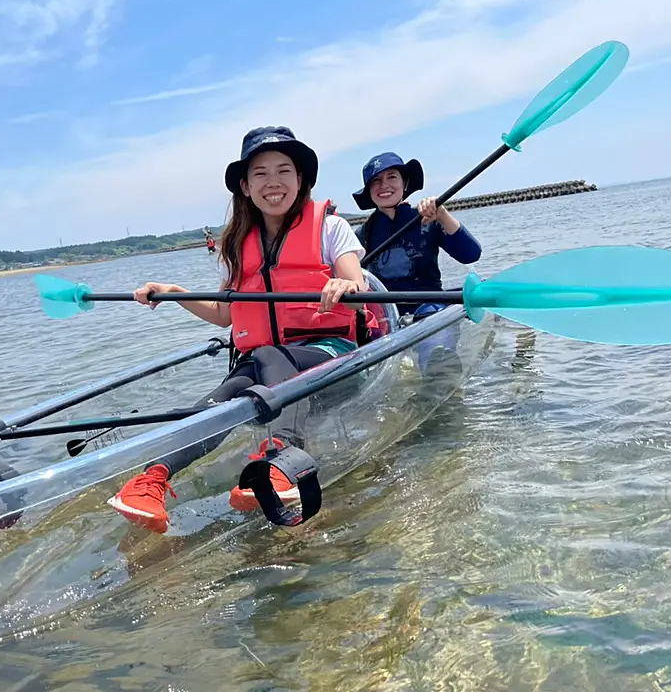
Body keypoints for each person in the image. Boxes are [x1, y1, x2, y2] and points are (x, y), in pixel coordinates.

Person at [107, 126, 375, 533]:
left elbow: (357, 283)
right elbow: (224, 315)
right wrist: (174, 292)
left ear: (300, 179)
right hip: (267, 363)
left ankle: (282, 457)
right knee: (224, 397)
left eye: (284, 170)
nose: (274, 182)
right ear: (246, 187)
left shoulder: (329, 227)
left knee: (265, 358)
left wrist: (344, 285)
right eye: (261, 173)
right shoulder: (237, 245)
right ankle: (151, 479)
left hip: (330, 350)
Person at [353, 152, 481, 320]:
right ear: (369, 190)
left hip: (430, 308)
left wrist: (442, 215)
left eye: (392, 177)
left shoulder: (427, 219)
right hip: (385, 316)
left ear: (405, 183)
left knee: (432, 332)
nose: (383, 185)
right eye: (375, 180)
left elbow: (471, 255)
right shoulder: (361, 234)